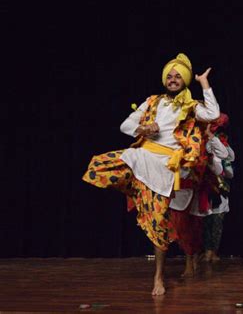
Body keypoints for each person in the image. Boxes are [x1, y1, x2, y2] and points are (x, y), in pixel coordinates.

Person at [82, 53, 220, 296]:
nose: (173, 79)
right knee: (98, 166)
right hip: (142, 157)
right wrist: (143, 128)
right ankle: (135, 188)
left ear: (185, 80)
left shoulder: (191, 106)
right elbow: (125, 125)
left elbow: (213, 114)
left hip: (164, 168)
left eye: (178, 76)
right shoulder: (152, 101)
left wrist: (204, 84)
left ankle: (158, 277)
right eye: (170, 76)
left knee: (158, 226)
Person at [190, 114, 235, 262]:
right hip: (201, 185)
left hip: (217, 185)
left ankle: (212, 251)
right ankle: (203, 250)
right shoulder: (196, 139)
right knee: (202, 221)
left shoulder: (220, 142)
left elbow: (228, 160)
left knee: (216, 220)